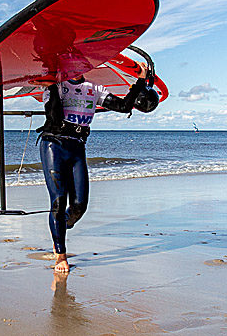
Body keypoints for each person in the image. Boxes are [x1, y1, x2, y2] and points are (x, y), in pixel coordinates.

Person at [37, 73, 159, 273]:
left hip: (77, 147)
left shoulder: (95, 88)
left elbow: (123, 107)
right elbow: (55, 118)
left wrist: (139, 83)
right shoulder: (55, 85)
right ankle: (60, 254)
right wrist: (51, 87)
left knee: (79, 206)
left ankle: (59, 229)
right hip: (54, 144)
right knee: (58, 200)